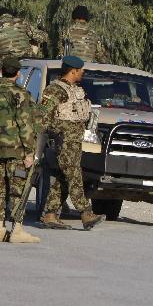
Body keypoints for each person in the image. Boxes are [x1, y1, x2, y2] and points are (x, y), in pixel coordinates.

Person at [38, 55, 105, 231]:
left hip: (75, 142)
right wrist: (60, 129)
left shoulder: (75, 90)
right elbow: (43, 117)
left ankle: (50, 215)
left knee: (63, 178)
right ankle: (86, 213)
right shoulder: (55, 90)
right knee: (74, 176)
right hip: (64, 142)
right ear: (73, 71)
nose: (83, 73)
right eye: (81, 70)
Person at [0, 57, 40, 243]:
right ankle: (17, 230)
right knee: (17, 188)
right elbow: (25, 125)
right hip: (15, 150)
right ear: (18, 73)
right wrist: (29, 152)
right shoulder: (20, 94)